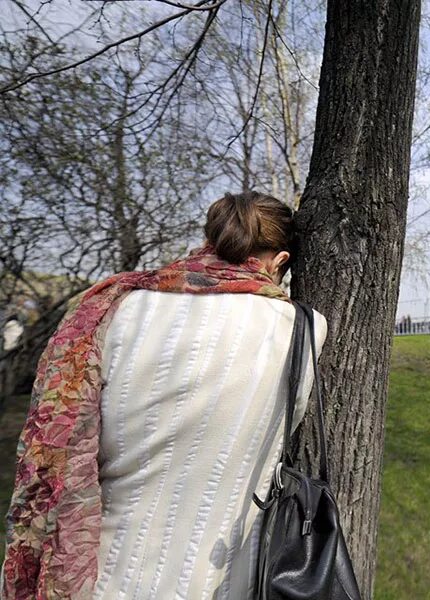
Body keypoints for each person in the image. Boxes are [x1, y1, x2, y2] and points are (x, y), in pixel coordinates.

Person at [1, 191, 327, 599]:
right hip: (223, 579)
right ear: (279, 262)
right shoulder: (304, 328)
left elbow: (68, 447)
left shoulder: (116, 308)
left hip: (98, 572)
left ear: (212, 240)